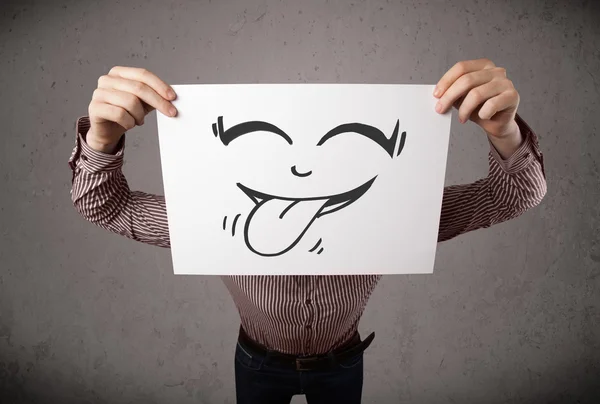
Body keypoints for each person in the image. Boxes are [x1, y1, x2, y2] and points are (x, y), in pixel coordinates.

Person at [68, 58, 547, 404]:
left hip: (342, 363)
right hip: (257, 363)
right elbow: (103, 205)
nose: (301, 170)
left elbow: (514, 194)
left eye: (344, 146)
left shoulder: (398, 208)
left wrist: (504, 134)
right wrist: (102, 138)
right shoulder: (212, 212)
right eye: (269, 146)